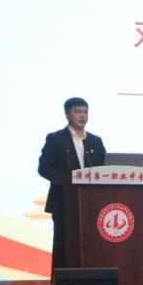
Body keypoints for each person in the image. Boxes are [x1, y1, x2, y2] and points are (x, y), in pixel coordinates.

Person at [38, 97, 107, 271]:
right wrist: (69, 179)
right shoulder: (56, 139)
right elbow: (44, 168)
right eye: (77, 111)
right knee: (63, 248)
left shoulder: (95, 141)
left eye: (85, 111)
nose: (82, 115)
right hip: (64, 202)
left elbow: (104, 169)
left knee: (92, 247)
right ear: (67, 114)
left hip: (92, 204)